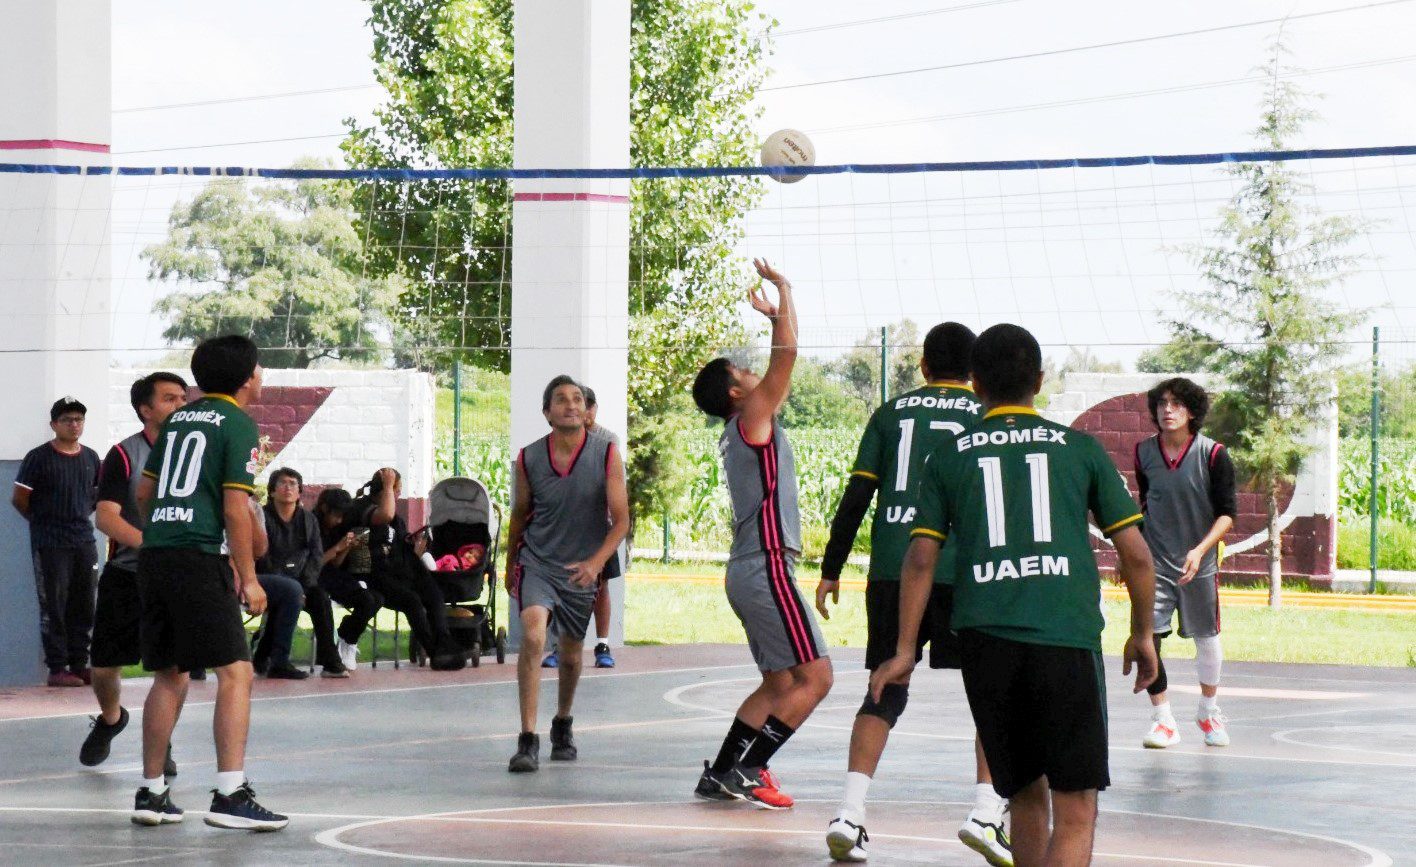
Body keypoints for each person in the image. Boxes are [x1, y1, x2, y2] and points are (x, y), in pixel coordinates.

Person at [872, 323, 1157, 867]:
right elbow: (1138, 557)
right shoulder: (1080, 449)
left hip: (985, 641)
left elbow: (920, 558)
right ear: (1041, 381)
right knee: (1076, 809)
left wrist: (906, 648)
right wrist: (1143, 635)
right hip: (1064, 637)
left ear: (976, 384)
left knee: (1025, 796)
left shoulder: (950, 457)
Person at [818, 322, 1010, 865]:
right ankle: (984, 813)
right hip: (965, 571)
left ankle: (849, 813)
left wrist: (832, 568)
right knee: (990, 690)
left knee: (887, 684)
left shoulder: (890, 413)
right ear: (975, 373)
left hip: (892, 571)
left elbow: (858, 494)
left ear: (923, 366)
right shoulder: (985, 417)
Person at [690, 259, 833, 809]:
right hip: (767, 563)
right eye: (743, 372)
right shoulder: (751, 415)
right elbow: (788, 356)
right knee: (816, 679)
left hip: (747, 568)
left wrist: (779, 315)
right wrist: (786, 291)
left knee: (779, 684)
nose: (755, 375)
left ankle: (721, 771)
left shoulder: (741, 425)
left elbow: (781, 357)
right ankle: (750, 768)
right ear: (734, 392)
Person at [131, 334, 287, 830]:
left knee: (169, 673)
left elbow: (145, 491)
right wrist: (249, 577)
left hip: (156, 555)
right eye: (259, 368)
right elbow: (234, 508)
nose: (261, 375)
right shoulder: (238, 423)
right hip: (199, 558)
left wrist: (164, 526)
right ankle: (229, 793)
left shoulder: (177, 418)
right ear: (245, 379)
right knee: (236, 672)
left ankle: (151, 791)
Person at [505, 375, 630, 773]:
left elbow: (621, 520)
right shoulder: (528, 458)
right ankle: (527, 739)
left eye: (577, 399)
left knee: (573, 656)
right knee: (534, 634)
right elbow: (519, 516)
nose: (571, 404)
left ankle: (562, 722)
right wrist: (510, 563)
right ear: (547, 413)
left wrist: (596, 564)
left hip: (581, 567)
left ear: (586, 410)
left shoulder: (606, 453)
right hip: (538, 561)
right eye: (561, 400)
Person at [81, 373, 189, 772]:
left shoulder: (195, 454)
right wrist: (151, 544)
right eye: (169, 399)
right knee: (105, 666)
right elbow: (106, 518)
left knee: (174, 668)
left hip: (178, 576)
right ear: (146, 410)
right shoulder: (124, 455)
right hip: (128, 575)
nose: (180, 405)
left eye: (183, 398)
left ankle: (163, 743)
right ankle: (112, 718)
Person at [1134, 377, 1236, 749]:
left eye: (1176, 404)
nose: (1167, 410)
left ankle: (1208, 711)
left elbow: (1227, 515)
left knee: (1207, 639)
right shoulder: (1144, 452)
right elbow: (1147, 506)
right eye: (1161, 404)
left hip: (1200, 563)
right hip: (1156, 563)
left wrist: (1199, 549)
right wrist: (1137, 553)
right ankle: (1163, 720)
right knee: (1150, 638)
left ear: (1192, 411)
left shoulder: (1213, 454)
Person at [12, 396, 103, 688]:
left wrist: (76, 517)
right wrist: (44, 523)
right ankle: (57, 667)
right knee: (54, 603)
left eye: (78, 419)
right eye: (67, 420)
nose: (74, 425)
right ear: (54, 424)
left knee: (85, 602)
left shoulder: (90, 457)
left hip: (83, 540)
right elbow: (20, 500)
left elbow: (93, 497)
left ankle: (79, 663)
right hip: (50, 542)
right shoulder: (38, 457)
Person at [348, 467, 464, 671]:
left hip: (401, 571)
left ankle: (444, 643)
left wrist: (416, 547)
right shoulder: (362, 509)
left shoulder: (396, 520)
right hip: (373, 573)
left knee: (434, 594)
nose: (399, 494)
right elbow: (384, 516)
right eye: (397, 490)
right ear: (386, 490)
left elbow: (400, 544)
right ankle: (433, 650)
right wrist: (387, 485)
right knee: (413, 601)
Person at [541, 384, 624, 670]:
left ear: (592, 410)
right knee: (558, 587)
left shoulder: (607, 442)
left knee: (600, 587)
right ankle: (555, 645)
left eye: (581, 405)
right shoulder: (554, 443)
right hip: (562, 529)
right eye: (566, 404)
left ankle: (602, 643)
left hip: (598, 528)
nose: (575, 410)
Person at [254, 468, 349, 679]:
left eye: (293, 484)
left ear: (299, 492)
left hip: (301, 581)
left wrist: (303, 586)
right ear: (272, 491)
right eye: (283, 483)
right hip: (268, 580)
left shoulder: (308, 520)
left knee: (320, 599)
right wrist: (288, 587)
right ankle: (273, 660)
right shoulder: (261, 516)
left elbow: (316, 557)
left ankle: (330, 662)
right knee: (288, 596)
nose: (288, 488)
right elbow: (262, 556)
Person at [314, 488, 383, 671]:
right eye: (336, 515)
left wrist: (346, 547)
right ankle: (346, 639)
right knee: (366, 600)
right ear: (324, 508)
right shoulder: (312, 525)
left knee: (376, 598)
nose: (339, 521)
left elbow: (336, 564)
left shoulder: (337, 527)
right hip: (316, 577)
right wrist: (337, 547)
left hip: (333, 574)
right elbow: (314, 563)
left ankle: (347, 636)